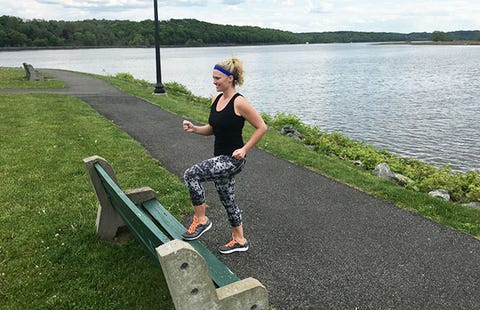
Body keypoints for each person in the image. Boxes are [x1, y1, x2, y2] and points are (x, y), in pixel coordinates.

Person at [181, 56, 267, 254]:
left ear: (230, 78)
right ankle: (239, 239)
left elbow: (262, 127)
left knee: (191, 175)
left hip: (232, 160)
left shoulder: (240, 102)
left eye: (217, 78)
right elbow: (212, 128)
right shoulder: (216, 98)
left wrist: (245, 149)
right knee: (227, 199)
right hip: (219, 157)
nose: (214, 81)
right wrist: (195, 129)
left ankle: (201, 220)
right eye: (213, 77)